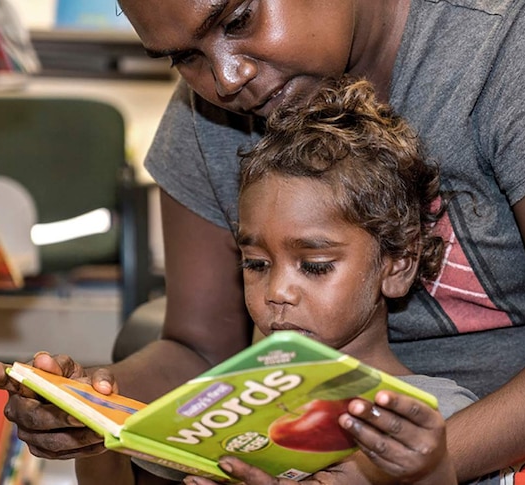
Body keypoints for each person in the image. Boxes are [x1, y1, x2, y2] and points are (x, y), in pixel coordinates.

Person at [0, 0, 525, 483]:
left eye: (239, 15)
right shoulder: (210, 116)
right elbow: (198, 350)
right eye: (183, 56)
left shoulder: (516, 36)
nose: (226, 76)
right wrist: (93, 404)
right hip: (313, 436)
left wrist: (412, 466)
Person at [148, 75, 480, 485]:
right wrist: (89, 431)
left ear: (397, 264)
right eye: (256, 264)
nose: (278, 293)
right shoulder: (221, 417)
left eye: (315, 265)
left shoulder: (428, 417)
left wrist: (430, 471)